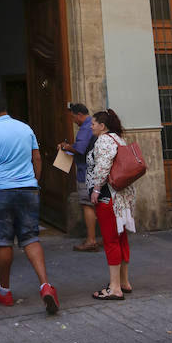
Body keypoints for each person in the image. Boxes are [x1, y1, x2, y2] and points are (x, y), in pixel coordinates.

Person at [0, 96, 60, 314]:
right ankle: (45, 286)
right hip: (28, 189)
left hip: (0, 191)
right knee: (31, 237)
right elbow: (37, 159)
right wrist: (34, 182)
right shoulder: (26, 129)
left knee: (3, 241)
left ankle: (4, 291)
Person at [86, 108, 136, 301]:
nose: (90, 127)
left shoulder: (104, 140)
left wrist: (96, 188)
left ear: (102, 126)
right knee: (121, 238)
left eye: (93, 124)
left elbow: (103, 165)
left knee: (110, 240)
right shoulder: (117, 138)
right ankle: (124, 281)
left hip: (109, 197)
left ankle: (115, 287)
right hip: (121, 198)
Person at [57, 103, 99, 252]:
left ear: (80, 115)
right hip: (94, 171)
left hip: (86, 172)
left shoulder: (86, 127)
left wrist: (66, 147)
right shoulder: (94, 125)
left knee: (87, 204)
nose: (74, 120)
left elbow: (80, 149)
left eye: (74, 117)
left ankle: (91, 240)